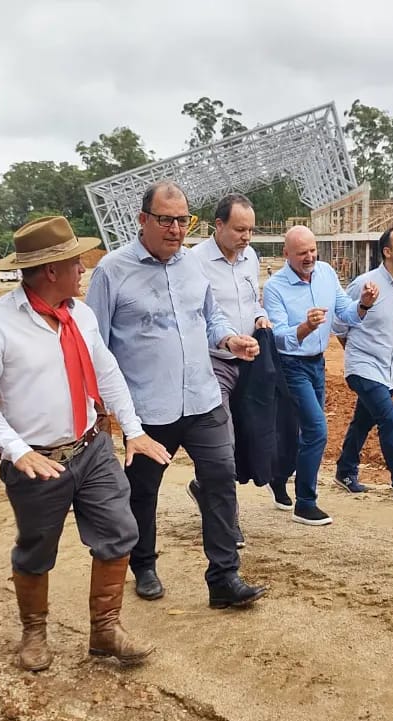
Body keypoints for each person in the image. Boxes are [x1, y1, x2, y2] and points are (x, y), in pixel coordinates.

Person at [0, 216, 172, 670]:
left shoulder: (81, 315)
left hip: (91, 447)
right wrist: (17, 450)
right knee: (37, 547)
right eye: (76, 262)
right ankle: (34, 631)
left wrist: (133, 430)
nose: (83, 269)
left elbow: (106, 371)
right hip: (37, 460)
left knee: (120, 530)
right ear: (50, 270)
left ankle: (105, 630)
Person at [85, 181, 267, 609]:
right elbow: (95, 344)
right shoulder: (112, 271)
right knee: (143, 490)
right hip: (148, 409)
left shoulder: (193, 266)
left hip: (203, 398)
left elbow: (211, 317)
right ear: (143, 219)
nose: (176, 229)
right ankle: (143, 564)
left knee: (220, 478)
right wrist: (103, 407)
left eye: (183, 220)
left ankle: (224, 578)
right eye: (166, 220)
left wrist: (229, 339)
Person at [263, 225, 379, 526]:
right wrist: (305, 327)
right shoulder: (275, 287)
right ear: (286, 254)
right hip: (290, 366)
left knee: (299, 432)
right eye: (302, 252)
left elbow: (345, 312)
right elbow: (278, 336)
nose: (310, 257)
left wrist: (363, 304)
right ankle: (305, 503)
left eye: (313, 250)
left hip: (317, 364)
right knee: (316, 430)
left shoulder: (326, 273)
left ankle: (279, 477)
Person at [187, 193, 271, 545]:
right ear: (218, 225)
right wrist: (226, 340)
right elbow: (197, 316)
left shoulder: (250, 257)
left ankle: (203, 487)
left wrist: (259, 317)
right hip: (212, 363)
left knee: (250, 435)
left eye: (250, 230)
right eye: (239, 229)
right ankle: (228, 522)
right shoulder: (194, 261)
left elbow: (252, 300)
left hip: (248, 361)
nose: (246, 237)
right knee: (223, 444)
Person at [332, 227, 393, 504]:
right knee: (388, 419)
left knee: (363, 420)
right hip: (363, 366)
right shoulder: (365, 283)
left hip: (390, 369)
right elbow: (339, 324)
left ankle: (345, 470)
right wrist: (355, 354)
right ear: (387, 251)